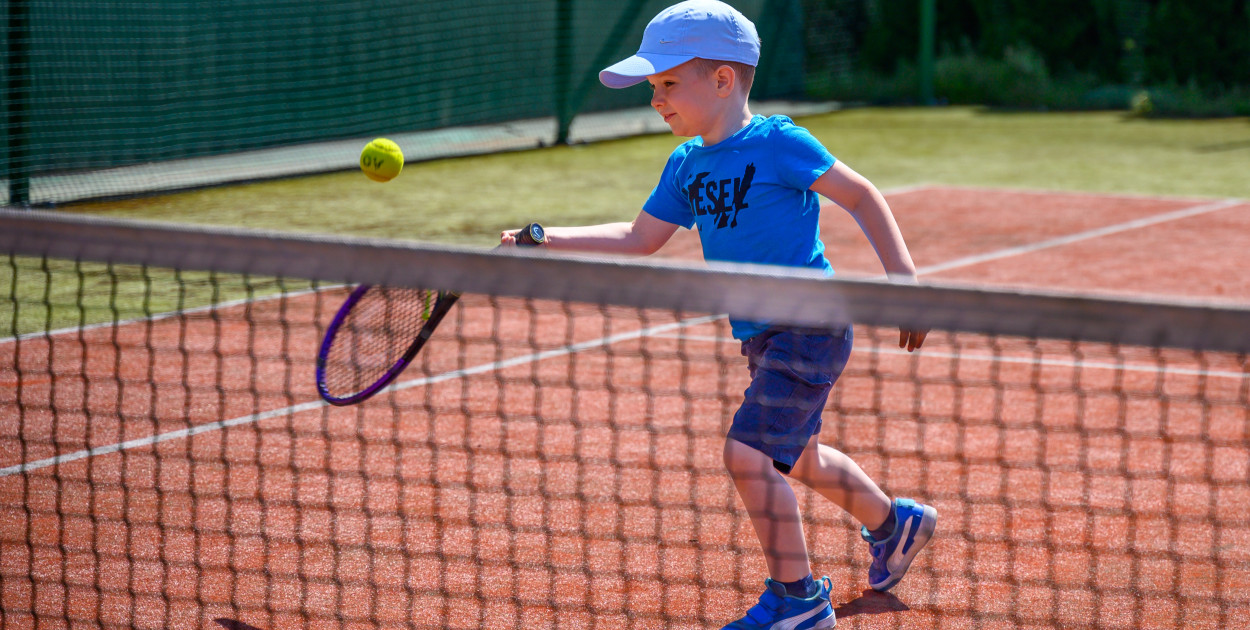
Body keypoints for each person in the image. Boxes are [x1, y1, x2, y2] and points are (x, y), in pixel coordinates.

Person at [502, 1, 936, 627]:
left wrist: (906, 282)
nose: (656, 98)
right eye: (653, 87)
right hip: (761, 335)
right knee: (799, 454)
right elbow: (637, 237)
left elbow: (861, 195)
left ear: (724, 80)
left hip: (810, 325)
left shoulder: (779, 142)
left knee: (748, 455)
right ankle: (895, 525)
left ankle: (798, 601)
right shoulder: (686, 165)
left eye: (668, 83)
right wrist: (541, 235)